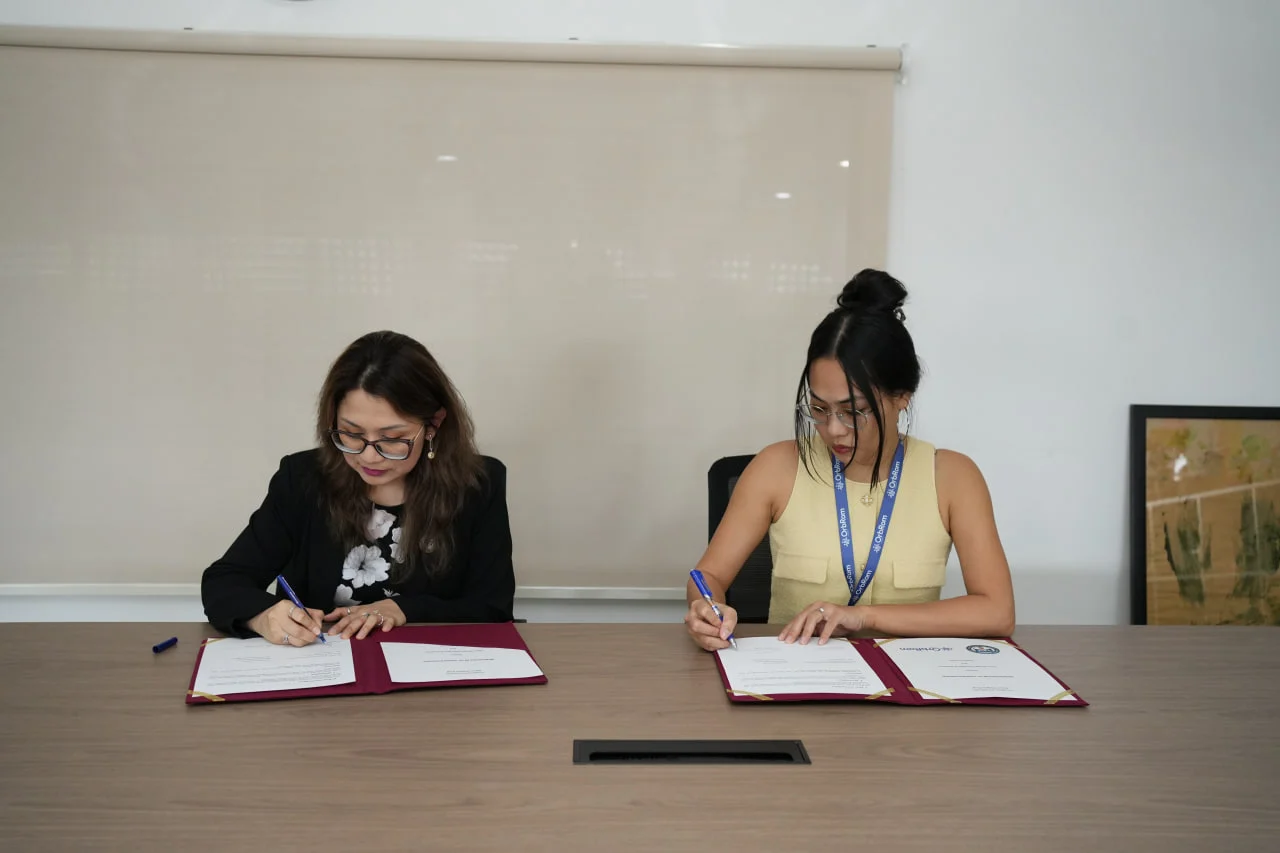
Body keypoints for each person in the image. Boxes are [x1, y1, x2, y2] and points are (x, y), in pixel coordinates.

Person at [684, 269, 1014, 650]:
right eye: (819, 409)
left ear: (902, 395)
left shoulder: (954, 478)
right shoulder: (776, 467)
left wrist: (864, 617)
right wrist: (705, 609)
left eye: (853, 411)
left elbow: (997, 612)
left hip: (908, 683)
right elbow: (708, 574)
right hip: (796, 677)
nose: (833, 430)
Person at [201, 331, 515, 644]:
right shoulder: (302, 479)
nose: (367, 455)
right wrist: (263, 616)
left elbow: (492, 609)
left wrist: (404, 609)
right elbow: (224, 582)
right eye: (351, 433)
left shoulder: (478, 485)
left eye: (392, 438)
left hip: (430, 677)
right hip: (320, 669)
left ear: (434, 424)